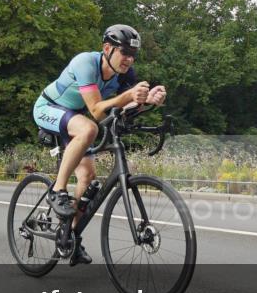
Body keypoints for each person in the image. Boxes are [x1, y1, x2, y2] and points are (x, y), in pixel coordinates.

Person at [33, 24, 166, 265]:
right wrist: (128, 96)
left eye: (133, 55)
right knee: (90, 128)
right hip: (49, 108)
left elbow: (123, 108)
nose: (128, 59)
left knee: (88, 177)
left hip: (77, 118)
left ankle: (69, 238)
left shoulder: (126, 74)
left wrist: (148, 100)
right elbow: (96, 110)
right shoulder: (86, 63)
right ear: (107, 48)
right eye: (124, 52)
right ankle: (57, 190)